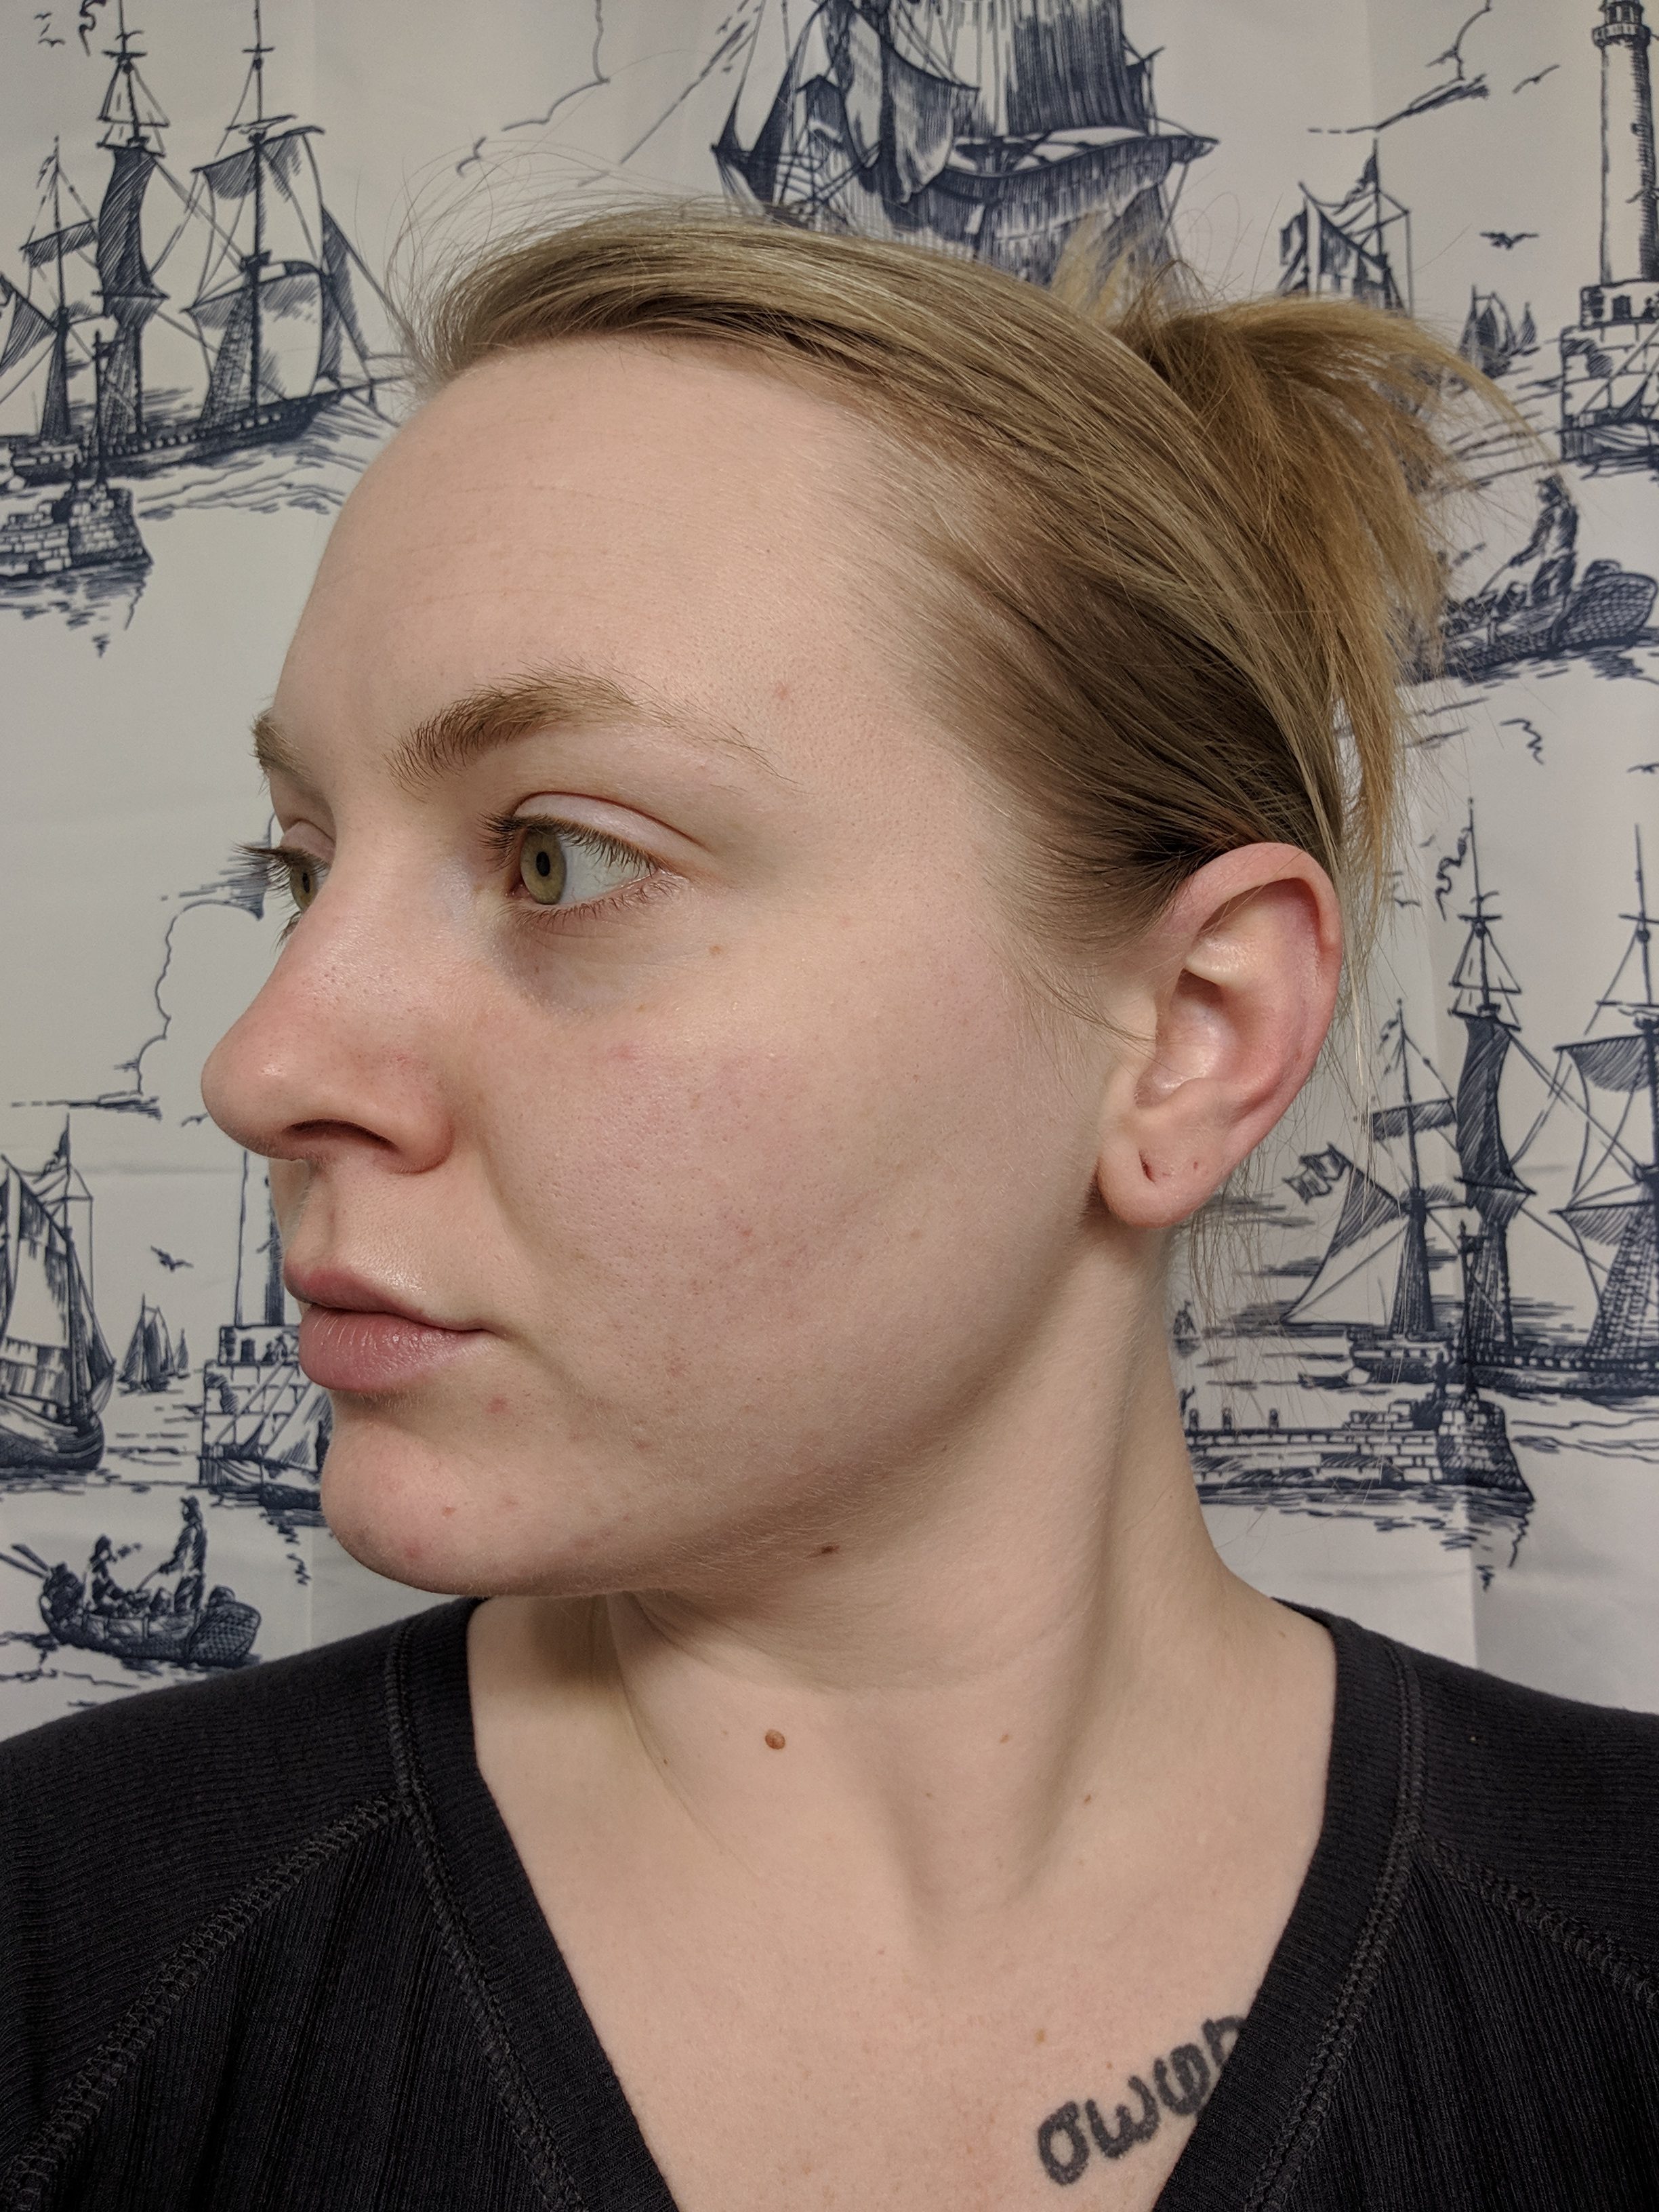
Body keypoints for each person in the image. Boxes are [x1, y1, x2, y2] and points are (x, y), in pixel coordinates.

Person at [1, 203, 1656, 2212]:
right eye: (301, 863)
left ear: (1190, 1037)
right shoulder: (60, 1959)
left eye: (559, 858)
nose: (262, 1066)